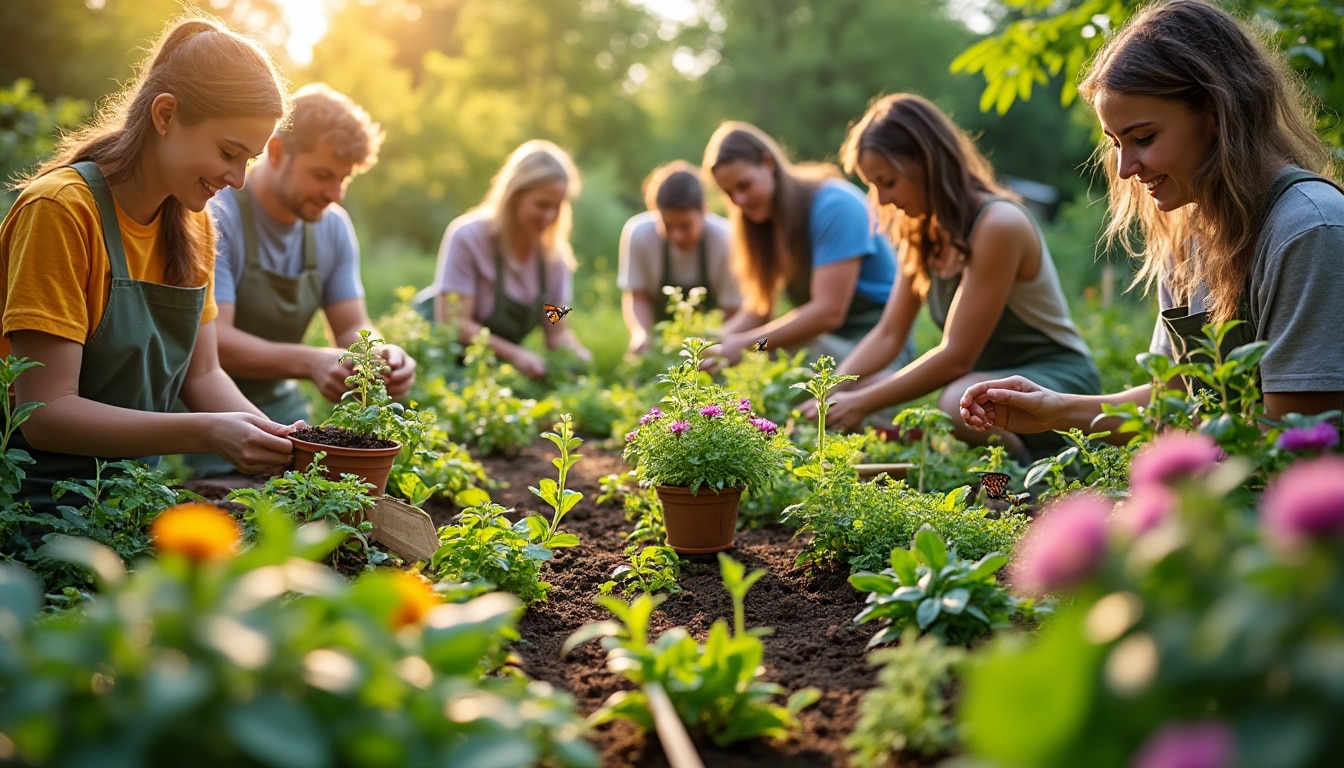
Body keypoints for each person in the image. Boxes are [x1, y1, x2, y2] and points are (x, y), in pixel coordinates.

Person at [960, 0, 1344, 442]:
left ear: (1217, 114)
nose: (1125, 168)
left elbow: (1294, 442)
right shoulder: (1188, 238)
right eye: (1116, 142)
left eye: (1143, 138)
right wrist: (1055, 410)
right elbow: (1173, 399)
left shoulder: (1309, 230)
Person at [0, 16, 295, 505]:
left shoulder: (193, 222)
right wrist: (204, 433)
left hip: (130, 502)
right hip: (36, 512)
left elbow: (203, 376)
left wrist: (275, 438)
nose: (238, 179)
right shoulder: (60, 212)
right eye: (228, 152)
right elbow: (46, 412)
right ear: (165, 115)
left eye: (249, 161)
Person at [802, 94, 1100, 459]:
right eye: (872, 185)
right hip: (980, 386)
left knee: (955, 402)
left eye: (888, 181)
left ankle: (1019, 485)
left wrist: (860, 403)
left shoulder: (998, 224)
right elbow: (888, 334)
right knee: (889, 390)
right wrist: (834, 391)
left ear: (927, 164)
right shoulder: (921, 233)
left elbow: (957, 355)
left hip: (1051, 379)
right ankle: (961, 474)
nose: (881, 199)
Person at [186, 83, 416, 477]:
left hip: (284, 412)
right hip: (203, 415)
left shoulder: (332, 228)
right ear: (275, 153)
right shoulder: (217, 216)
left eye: (344, 179)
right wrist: (309, 361)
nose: (334, 194)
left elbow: (351, 325)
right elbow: (214, 341)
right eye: (323, 175)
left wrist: (377, 354)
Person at [701, 121, 916, 368]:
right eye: (729, 193)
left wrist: (746, 346)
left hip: (879, 348)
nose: (739, 200)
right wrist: (710, 344)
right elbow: (757, 311)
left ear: (768, 163)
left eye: (744, 185)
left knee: (774, 354)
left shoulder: (835, 205)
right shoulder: (761, 225)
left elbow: (828, 313)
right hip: (824, 345)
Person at [414, 139, 590, 380]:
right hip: (440, 362)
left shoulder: (553, 259)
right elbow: (454, 323)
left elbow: (556, 328)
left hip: (494, 373)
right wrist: (517, 355)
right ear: (515, 196)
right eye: (541, 205)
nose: (549, 216)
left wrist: (578, 356)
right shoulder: (468, 237)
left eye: (557, 206)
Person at [618, 160, 740, 356]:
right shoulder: (638, 234)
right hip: (660, 347)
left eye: (685, 226)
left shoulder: (728, 240)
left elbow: (732, 311)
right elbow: (637, 296)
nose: (676, 236)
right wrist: (641, 335)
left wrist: (705, 348)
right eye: (667, 225)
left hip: (714, 344)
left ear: (704, 210)